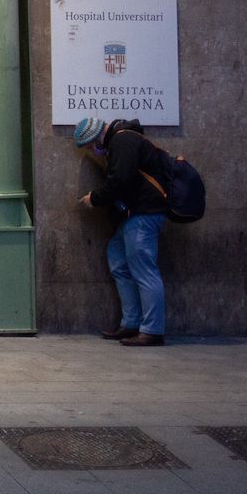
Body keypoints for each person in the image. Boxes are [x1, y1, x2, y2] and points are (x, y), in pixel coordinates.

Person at [73, 116, 169, 347]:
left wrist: (95, 199)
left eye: (89, 145)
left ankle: (152, 330)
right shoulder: (121, 141)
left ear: (98, 138)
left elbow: (121, 180)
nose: (91, 150)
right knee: (117, 258)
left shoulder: (122, 141)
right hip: (134, 215)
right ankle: (132, 323)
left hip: (144, 214)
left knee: (144, 270)